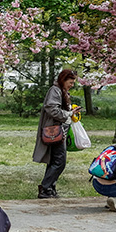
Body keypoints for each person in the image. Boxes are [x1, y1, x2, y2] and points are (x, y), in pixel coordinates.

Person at [33, 69, 79, 199]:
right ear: (63, 80)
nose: (72, 85)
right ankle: (45, 187)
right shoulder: (55, 90)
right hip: (55, 130)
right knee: (60, 161)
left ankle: (49, 188)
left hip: (58, 129)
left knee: (54, 160)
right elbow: (52, 109)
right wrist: (68, 114)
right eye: (70, 82)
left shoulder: (60, 90)